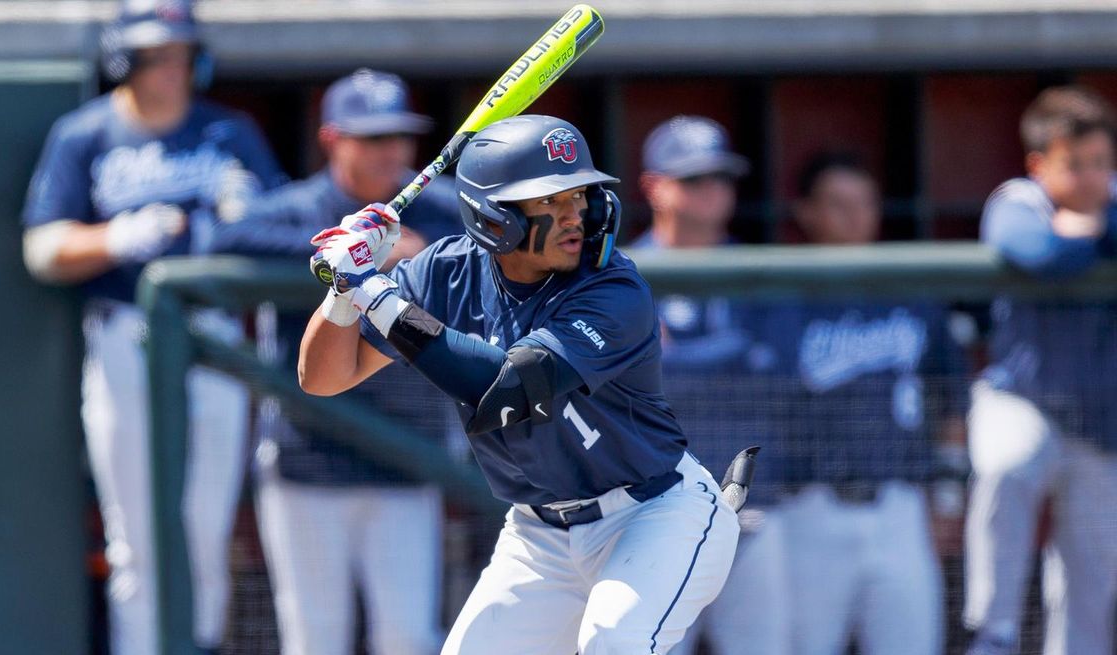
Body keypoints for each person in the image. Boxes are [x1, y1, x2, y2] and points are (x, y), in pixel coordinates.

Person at [298, 115, 744, 655]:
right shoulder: (445, 273)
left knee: (616, 643)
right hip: (540, 534)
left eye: (579, 195)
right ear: (494, 217)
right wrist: (343, 287)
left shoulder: (612, 289)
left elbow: (507, 388)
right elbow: (323, 377)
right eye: (548, 202)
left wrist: (375, 290)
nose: (574, 215)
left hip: (652, 514)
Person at [20, 1, 284, 652]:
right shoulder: (86, 133)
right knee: (135, 532)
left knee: (205, 523)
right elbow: (42, 247)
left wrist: (236, 221)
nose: (172, 69)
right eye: (155, 56)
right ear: (123, 60)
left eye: (180, 54)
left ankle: (199, 642)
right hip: (125, 337)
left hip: (215, 339)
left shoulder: (229, 133)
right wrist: (117, 236)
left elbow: (284, 228)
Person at [214, 68, 460, 655]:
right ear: (332, 139)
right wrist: (336, 249)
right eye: (372, 138)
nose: (390, 152)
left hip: (410, 452)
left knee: (407, 637)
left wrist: (420, 254)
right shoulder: (299, 207)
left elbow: (504, 245)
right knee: (313, 638)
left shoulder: (443, 212)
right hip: (307, 454)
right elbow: (219, 239)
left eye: (399, 137)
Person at [761, 152, 968, 655]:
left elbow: (953, 402)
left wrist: (947, 499)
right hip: (809, 506)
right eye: (838, 204)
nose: (855, 217)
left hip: (900, 505)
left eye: (865, 203)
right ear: (806, 212)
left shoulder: (910, 288)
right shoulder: (778, 292)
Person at [963, 86, 1117, 655]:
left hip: (1102, 425)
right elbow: (1038, 253)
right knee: (1008, 465)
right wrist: (1094, 237)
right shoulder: (1018, 198)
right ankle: (996, 629)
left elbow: (1070, 246)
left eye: (1100, 163)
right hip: (1020, 398)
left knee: (1090, 602)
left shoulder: (1108, 205)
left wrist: (1090, 229)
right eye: (1073, 164)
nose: (1089, 177)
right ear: (1039, 164)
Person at [630, 115, 791, 655]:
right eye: (695, 179)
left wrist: (677, 356)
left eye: (721, 178)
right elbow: (633, 376)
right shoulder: (623, 273)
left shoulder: (754, 269)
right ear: (655, 187)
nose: (713, 191)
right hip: (649, 511)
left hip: (752, 504)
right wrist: (728, 351)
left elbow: (774, 364)